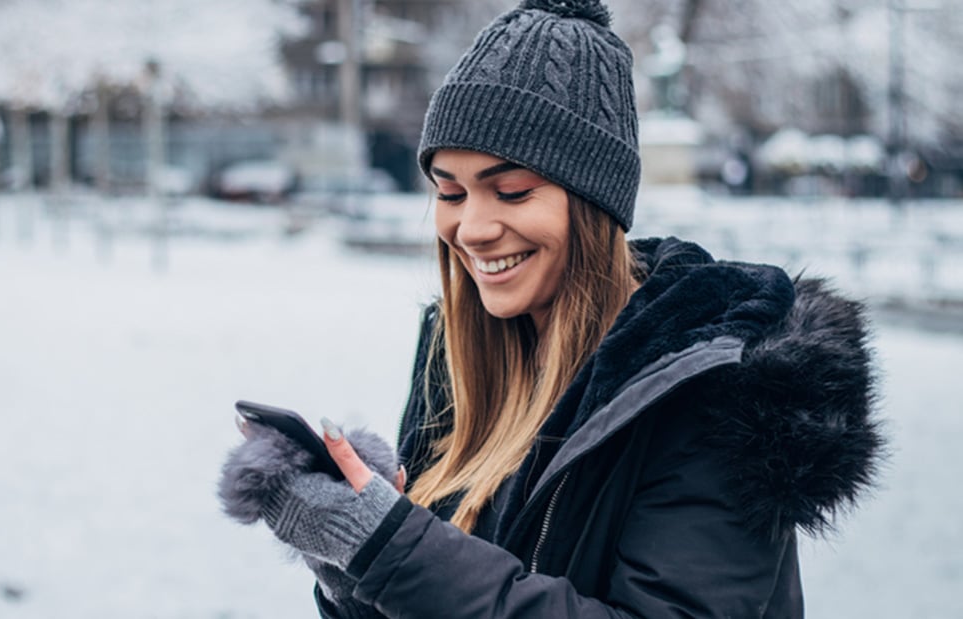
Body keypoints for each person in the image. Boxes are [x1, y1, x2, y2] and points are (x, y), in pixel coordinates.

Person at [219, 0, 884, 616]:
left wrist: (390, 549)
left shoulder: (715, 391)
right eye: (450, 193)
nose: (471, 228)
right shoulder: (457, 361)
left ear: (594, 205)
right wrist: (354, 574)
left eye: (510, 191)